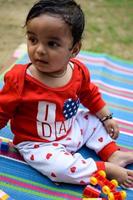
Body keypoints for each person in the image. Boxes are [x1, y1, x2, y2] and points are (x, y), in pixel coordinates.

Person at [0, 0, 133, 188]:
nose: (39, 50)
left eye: (52, 44)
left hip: (71, 128)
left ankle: (113, 153)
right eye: (33, 39)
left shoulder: (78, 71)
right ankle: (103, 168)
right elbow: (2, 111)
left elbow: (91, 95)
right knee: (60, 169)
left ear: (74, 49)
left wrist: (107, 117)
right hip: (38, 144)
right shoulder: (19, 79)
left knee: (93, 120)